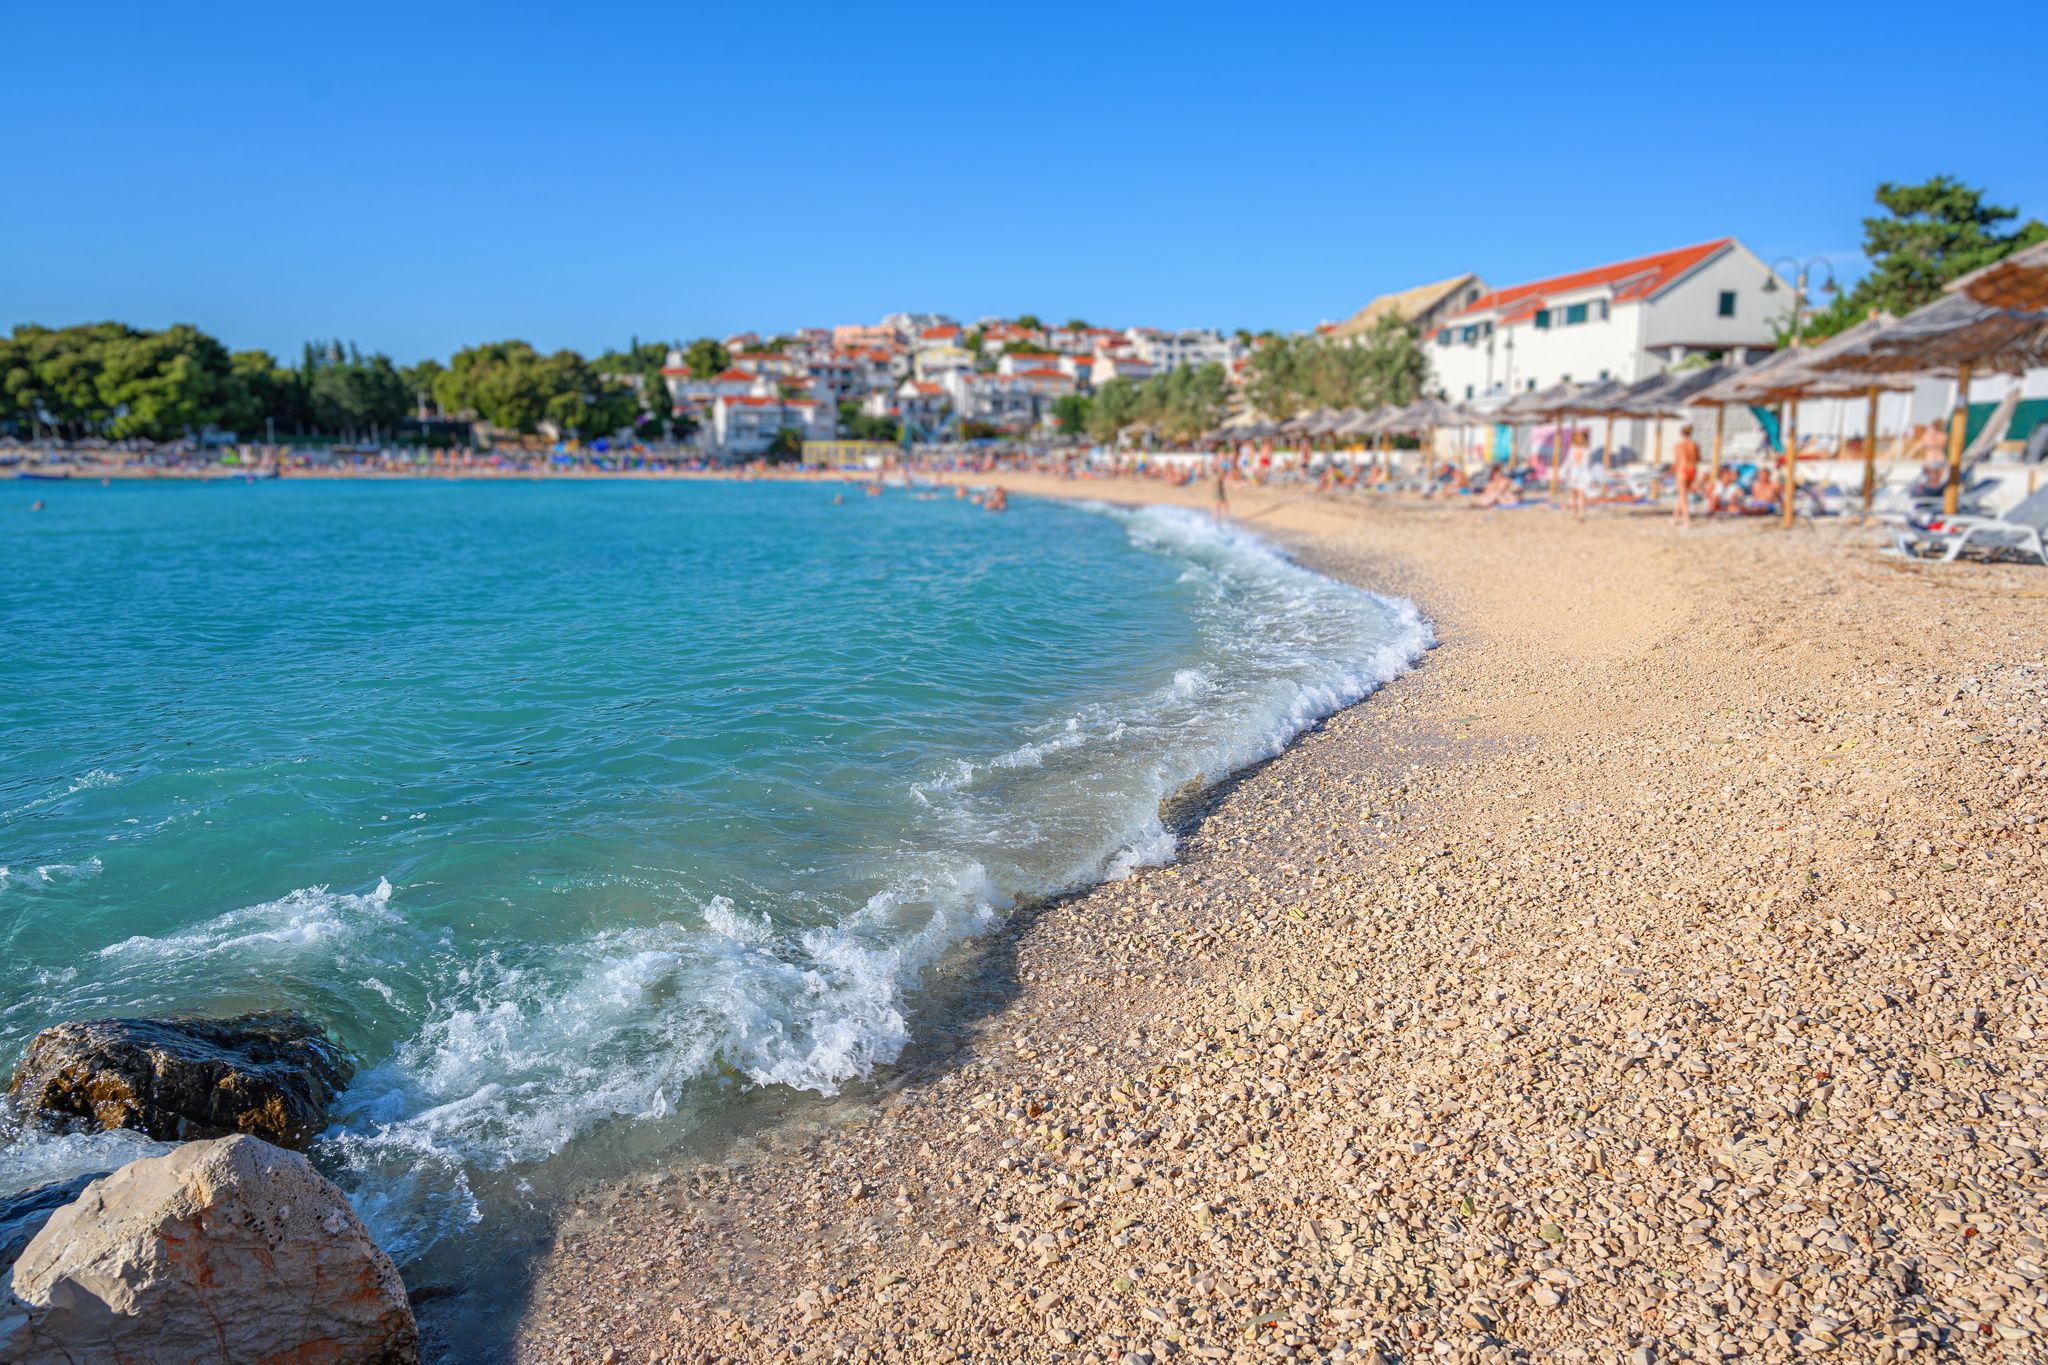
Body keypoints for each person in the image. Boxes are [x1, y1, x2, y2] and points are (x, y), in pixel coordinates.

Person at [1671, 424, 1700, 528]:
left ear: (1681, 433)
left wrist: (1672, 471)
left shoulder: (1678, 445)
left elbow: (1677, 461)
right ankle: (1674, 519)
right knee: (1683, 495)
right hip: (1692, 470)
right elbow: (1698, 459)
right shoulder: (1694, 445)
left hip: (1682, 470)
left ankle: (1686, 521)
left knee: (1683, 496)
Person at [1562, 429, 1592, 522]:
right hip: (1574, 473)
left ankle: (1581, 514)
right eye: (1578, 437)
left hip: (1582, 473)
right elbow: (1568, 462)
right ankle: (1574, 513)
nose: (1580, 439)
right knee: (1573, 495)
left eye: (1581, 438)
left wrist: (1588, 477)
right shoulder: (1572, 449)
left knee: (1581, 494)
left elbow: (1587, 464)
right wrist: (1563, 473)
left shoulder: (1587, 450)